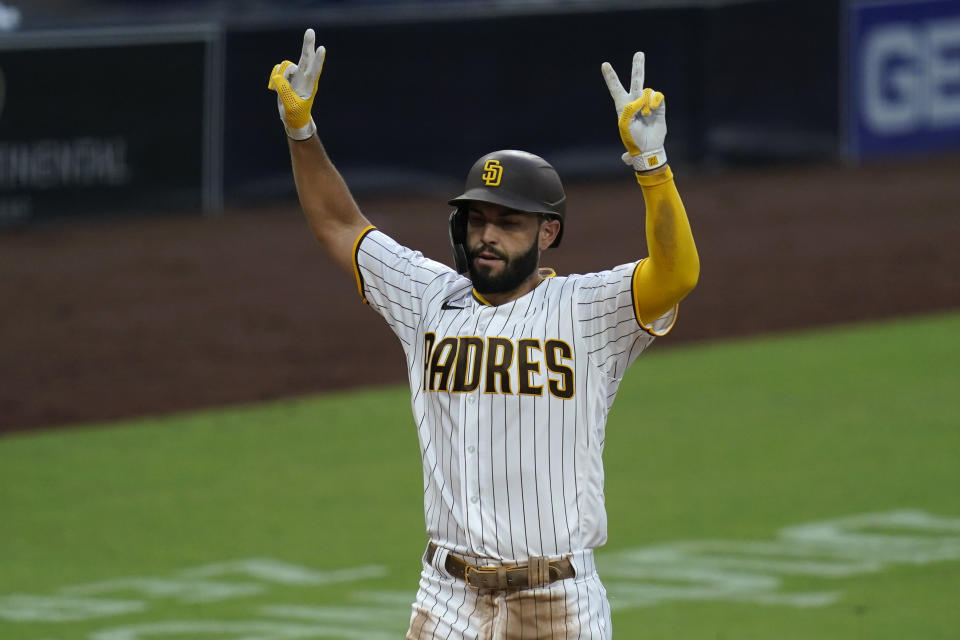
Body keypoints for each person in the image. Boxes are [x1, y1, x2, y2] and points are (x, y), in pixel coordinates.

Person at [268, 29, 699, 639]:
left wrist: (652, 168)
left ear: (547, 233)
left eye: (508, 222)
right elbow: (339, 223)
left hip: (556, 602)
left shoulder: (587, 310)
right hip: (446, 597)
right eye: (477, 218)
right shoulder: (425, 296)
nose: (486, 234)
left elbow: (677, 273)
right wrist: (301, 132)